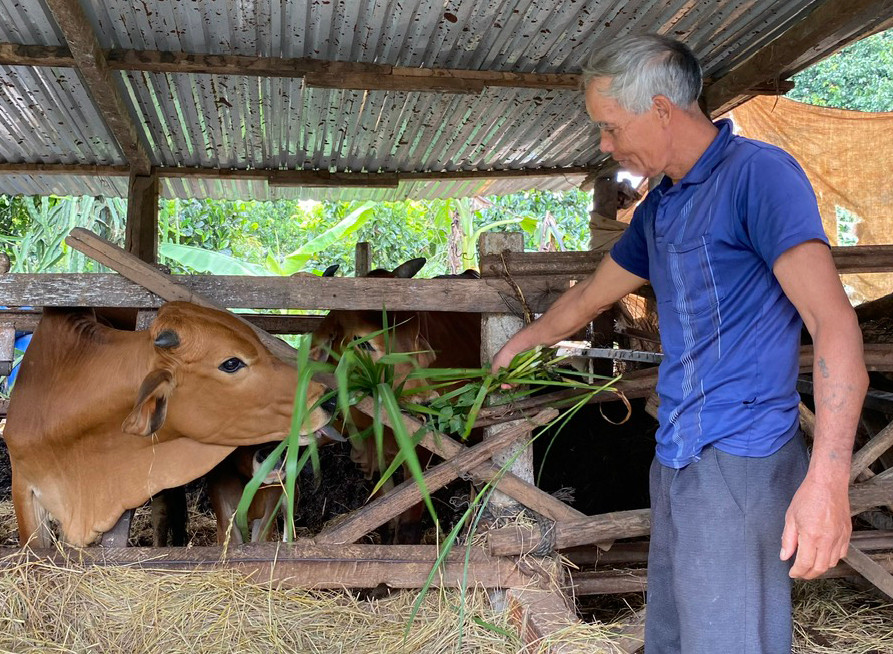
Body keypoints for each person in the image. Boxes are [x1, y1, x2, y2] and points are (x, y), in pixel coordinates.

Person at [491, 34, 867, 653]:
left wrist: (827, 484)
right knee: (673, 639)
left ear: (661, 110)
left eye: (610, 128)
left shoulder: (759, 178)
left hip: (741, 456)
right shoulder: (663, 207)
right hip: (675, 458)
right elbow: (593, 294)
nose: (605, 145)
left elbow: (835, 324)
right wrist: (524, 342)